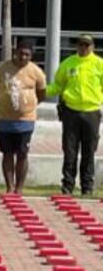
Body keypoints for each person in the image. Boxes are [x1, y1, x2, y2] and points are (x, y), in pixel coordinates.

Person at [0, 39, 47, 195]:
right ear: (15, 51)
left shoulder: (36, 71)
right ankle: (9, 187)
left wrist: (27, 105)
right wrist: (4, 102)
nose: (23, 57)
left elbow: (42, 93)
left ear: (31, 55)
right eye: (21, 53)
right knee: (7, 153)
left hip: (26, 120)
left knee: (22, 154)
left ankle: (19, 189)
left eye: (27, 54)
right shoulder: (1, 68)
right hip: (5, 119)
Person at [49, 34, 103, 196]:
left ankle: (87, 187)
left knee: (89, 151)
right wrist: (40, 91)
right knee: (70, 150)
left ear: (93, 47)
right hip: (71, 112)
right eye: (81, 44)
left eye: (87, 45)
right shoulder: (68, 63)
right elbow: (57, 85)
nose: (83, 48)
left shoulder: (99, 64)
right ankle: (67, 186)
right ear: (76, 46)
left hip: (92, 112)